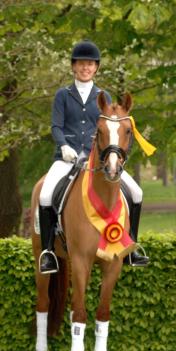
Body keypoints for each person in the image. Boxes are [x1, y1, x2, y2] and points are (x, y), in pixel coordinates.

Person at [38, 40, 149, 274]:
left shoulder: (103, 96)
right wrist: (64, 146)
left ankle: (132, 247)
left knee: (137, 192)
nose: (85, 68)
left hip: (97, 159)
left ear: (96, 68)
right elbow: (56, 126)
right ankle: (48, 251)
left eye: (90, 64)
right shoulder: (63, 95)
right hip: (66, 158)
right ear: (73, 67)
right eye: (81, 64)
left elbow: (109, 128)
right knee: (46, 195)